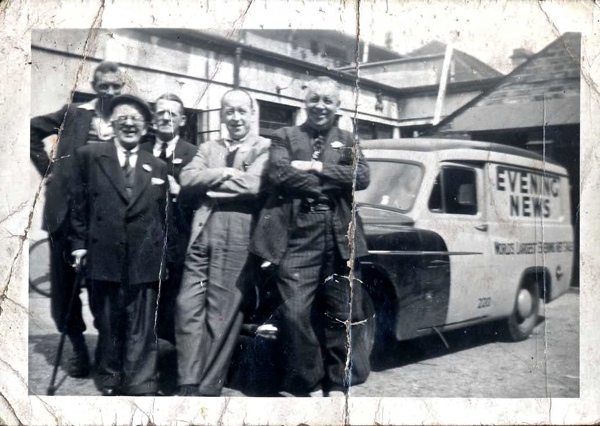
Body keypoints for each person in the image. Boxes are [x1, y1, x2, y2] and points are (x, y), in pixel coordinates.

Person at [249, 76, 371, 397]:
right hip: (298, 235)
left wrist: (316, 168)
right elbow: (279, 173)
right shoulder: (284, 136)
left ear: (338, 106)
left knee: (342, 311)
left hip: (339, 234)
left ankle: (339, 382)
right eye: (314, 99)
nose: (320, 106)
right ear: (304, 102)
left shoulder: (348, 140)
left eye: (327, 100)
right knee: (293, 312)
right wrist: (331, 184)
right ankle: (310, 380)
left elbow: (362, 176)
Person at [69, 94, 169, 396]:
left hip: (144, 256)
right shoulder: (90, 155)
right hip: (104, 252)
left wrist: (164, 256)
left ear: (146, 127)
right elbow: (78, 205)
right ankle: (110, 377)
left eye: (136, 119)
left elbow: (164, 215)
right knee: (108, 320)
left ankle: (140, 382)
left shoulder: (157, 166)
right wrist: (78, 244)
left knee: (141, 324)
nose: (129, 124)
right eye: (122, 118)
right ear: (111, 124)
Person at [30, 61, 124, 378]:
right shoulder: (74, 112)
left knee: (103, 288)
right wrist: (49, 170)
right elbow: (32, 130)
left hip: (105, 217)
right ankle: (78, 349)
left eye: (116, 86)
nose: (110, 91)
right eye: (104, 85)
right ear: (95, 86)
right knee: (64, 288)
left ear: (122, 87)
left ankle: (107, 352)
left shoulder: (126, 118)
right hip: (66, 214)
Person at [175, 89, 270, 396]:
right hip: (203, 227)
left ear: (252, 114)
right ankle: (188, 378)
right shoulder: (208, 147)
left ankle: (206, 386)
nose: (236, 117)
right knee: (187, 305)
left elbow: (254, 184)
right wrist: (227, 172)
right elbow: (187, 178)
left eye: (242, 111)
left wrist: (210, 183)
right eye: (230, 111)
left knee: (222, 310)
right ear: (222, 115)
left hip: (237, 230)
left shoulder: (264, 147)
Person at [140, 93, 198, 343]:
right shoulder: (139, 150)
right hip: (142, 241)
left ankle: (169, 355)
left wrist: (180, 192)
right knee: (142, 305)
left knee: (172, 305)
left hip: (178, 242)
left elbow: (202, 200)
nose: (165, 118)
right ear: (153, 118)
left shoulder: (195, 154)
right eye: (161, 113)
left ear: (182, 120)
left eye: (172, 114)